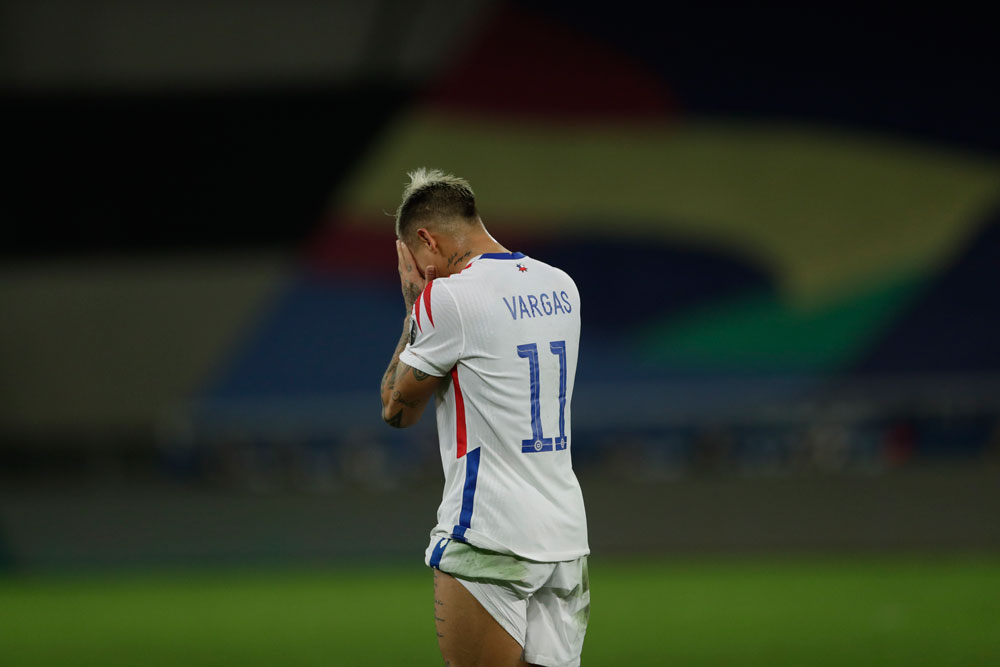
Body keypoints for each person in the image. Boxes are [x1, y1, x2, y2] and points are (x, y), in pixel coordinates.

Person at [380, 168, 590, 667]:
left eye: (415, 257)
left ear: (425, 240)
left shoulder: (447, 297)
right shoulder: (561, 284)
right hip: (564, 538)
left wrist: (413, 300)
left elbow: (396, 411)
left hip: (488, 533)